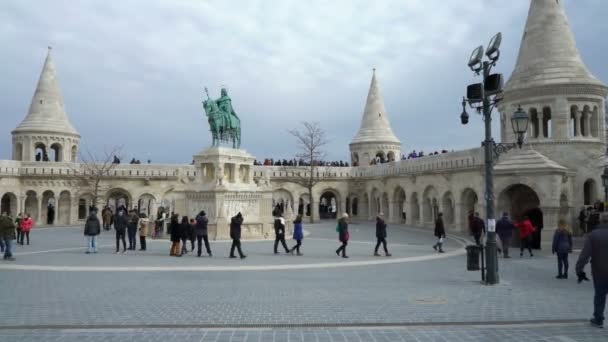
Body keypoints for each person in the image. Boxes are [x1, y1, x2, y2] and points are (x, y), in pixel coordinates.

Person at [576, 212, 608, 328]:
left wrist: (579, 269)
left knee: (600, 295)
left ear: (600, 221)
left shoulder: (593, 235)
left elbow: (585, 255)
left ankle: (598, 319)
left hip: (599, 271)